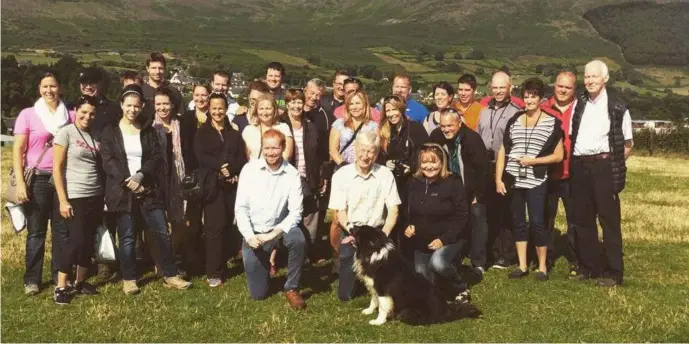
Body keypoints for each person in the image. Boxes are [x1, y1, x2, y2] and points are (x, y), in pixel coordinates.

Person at [100, 84, 192, 295]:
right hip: (123, 193)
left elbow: (155, 157)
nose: (132, 109)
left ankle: (170, 275)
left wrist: (141, 176)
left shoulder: (148, 130)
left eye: (136, 106)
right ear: (122, 105)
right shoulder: (110, 131)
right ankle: (129, 278)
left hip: (148, 189)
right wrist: (127, 180)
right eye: (128, 105)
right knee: (128, 236)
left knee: (161, 232)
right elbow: (108, 160)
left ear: (142, 106)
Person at [569, 60, 633, 287]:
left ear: (605, 78)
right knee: (583, 220)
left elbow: (627, 143)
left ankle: (614, 273)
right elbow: (572, 135)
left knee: (609, 221)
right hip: (580, 166)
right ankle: (589, 267)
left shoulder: (617, 106)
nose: (590, 81)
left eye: (594, 76)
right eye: (586, 76)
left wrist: (611, 165)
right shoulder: (580, 103)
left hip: (604, 167)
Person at [495, 78, 564, 281]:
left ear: (541, 98)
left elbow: (559, 155)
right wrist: (498, 179)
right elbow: (503, 150)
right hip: (514, 179)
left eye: (533, 96)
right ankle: (522, 265)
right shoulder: (515, 119)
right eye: (526, 96)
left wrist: (534, 161)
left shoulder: (552, 122)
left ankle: (542, 267)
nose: (529, 100)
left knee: (537, 222)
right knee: (518, 222)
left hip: (536, 179)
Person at [13, 72, 72, 296]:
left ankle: (59, 275)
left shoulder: (71, 116)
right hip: (37, 179)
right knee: (36, 233)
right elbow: (18, 149)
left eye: (53, 86)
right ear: (39, 89)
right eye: (45, 86)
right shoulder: (27, 115)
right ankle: (32, 280)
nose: (49, 90)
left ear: (60, 88)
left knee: (61, 231)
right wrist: (21, 183)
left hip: (62, 180)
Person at [235, 129, 306, 309]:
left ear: (283, 148)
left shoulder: (292, 174)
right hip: (255, 234)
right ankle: (262, 264)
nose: (271, 152)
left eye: (275, 148)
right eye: (267, 148)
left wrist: (273, 233)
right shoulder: (249, 169)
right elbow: (240, 208)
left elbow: (296, 212)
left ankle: (292, 287)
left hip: (279, 231)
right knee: (258, 294)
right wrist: (250, 236)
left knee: (298, 238)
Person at [329, 131, 401, 301]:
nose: (366, 156)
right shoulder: (341, 175)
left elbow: (393, 210)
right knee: (345, 296)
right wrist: (353, 232)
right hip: (352, 232)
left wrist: (382, 236)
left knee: (386, 282)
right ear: (355, 149)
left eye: (371, 151)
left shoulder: (385, 174)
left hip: (378, 233)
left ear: (376, 154)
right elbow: (340, 211)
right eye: (362, 150)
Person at [52, 96, 104, 304]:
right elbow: (56, 168)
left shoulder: (94, 135)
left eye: (92, 113)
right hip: (75, 195)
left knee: (88, 240)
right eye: (83, 112)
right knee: (75, 241)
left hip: (96, 194)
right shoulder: (66, 133)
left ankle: (80, 282)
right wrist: (63, 200)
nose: (87, 117)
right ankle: (61, 286)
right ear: (75, 111)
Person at [404, 143, 471, 303]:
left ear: (442, 162)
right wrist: (407, 225)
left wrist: (443, 240)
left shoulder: (453, 182)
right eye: (425, 162)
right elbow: (405, 211)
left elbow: (462, 215)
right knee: (426, 285)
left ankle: (461, 287)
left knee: (438, 263)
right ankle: (444, 287)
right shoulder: (413, 182)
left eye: (433, 162)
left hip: (449, 237)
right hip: (422, 242)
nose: (429, 166)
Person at [194, 92, 248, 288]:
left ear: (226, 109)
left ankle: (222, 264)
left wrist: (231, 169)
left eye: (221, 108)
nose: (217, 111)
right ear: (209, 109)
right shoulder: (202, 132)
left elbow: (241, 158)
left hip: (230, 186)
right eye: (214, 108)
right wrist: (220, 167)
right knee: (214, 228)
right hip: (211, 186)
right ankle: (213, 272)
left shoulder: (233, 133)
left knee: (226, 225)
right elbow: (200, 155)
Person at [429, 109, 490, 275]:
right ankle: (452, 253)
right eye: (443, 126)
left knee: (477, 216)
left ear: (459, 123)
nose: (446, 129)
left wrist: (478, 195)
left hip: (471, 188)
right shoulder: (437, 136)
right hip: (449, 190)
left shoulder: (472, 139)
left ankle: (478, 262)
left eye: (450, 125)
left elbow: (483, 170)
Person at [328, 90, 379, 273]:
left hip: (364, 172)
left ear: (365, 105)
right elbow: (333, 149)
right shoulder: (339, 124)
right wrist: (343, 165)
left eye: (359, 103)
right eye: (351, 104)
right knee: (337, 219)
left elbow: (376, 150)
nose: (355, 107)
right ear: (346, 106)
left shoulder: (373, 126)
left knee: (359, 214)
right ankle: (337, 257)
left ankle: (362, 254)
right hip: (343, 171)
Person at [477, 71, 522, 269]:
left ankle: (507, 254)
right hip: (486, 165)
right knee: (489, 211)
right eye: (495, 88)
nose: (498, 91)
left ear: (510, 88)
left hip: (505, 165)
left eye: (502, 88)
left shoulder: (516, 112)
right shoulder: (484, 111)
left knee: (506, 210)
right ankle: (491, 251)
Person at [152, 87, 198, 276]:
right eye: (158, 104)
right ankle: (161, 262)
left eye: (165, 103)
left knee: (180, 223)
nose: (162, 108)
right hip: (156, 180)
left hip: (179, 180)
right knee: (157, 225)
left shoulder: (184, 124)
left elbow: (191, 152)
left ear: (172, 105)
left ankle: (169, 256)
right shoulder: (149, 127)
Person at [379, 95, 428, 251]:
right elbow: (381, 155)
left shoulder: (415, 128)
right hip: (394, 181)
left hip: (414, 180)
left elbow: (426, 153)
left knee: (410, 216)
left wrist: (412, 167)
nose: (392, 114)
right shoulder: (386, 130)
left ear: (401, 109)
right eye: (388, 110)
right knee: (395, 215)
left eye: (394, 109)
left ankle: (413, 251)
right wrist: (386, 162)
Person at [541, 71, 578, 275]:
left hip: (573, 174)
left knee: (575, 219)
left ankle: (576, 259)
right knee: (546, 218)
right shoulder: (543, 108)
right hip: (547, 173)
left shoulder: (581, 109)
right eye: (560, 86)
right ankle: (545, 259)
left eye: (568, 87)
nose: (563, 90)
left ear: (574, 89)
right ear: (554, 86)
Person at [281, 89, 323, 261]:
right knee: (290, 215)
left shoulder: (310, 125)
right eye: (293, 102)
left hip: (309, 176)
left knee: (310, 216)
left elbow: (319, 154)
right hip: (287, 178)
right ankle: (288, 253)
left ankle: (307, 251)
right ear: (287, 104)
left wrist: (321, 177)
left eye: (299, 102)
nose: (297, 105)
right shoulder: (280, 124)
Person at [72, 67, 121, 140]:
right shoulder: (71, 106)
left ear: (100, 83)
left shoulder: (114, 109)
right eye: (84, 82)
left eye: (92, 83)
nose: (88, 87)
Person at [242, 94, 294, 161]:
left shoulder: (283, 128)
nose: (265, 112)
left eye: (268, 108)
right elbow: (247, 157)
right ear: (256, 111)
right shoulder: (248, 130)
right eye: (261, 109)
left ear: (274, 110)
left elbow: (287, 156)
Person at [141, 52, 184, 121]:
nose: (157, 71)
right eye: (154, 68)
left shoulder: (174, 92)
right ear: (147, 68)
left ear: (164, 69)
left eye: (160, 68)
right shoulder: (140, 92)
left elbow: (181, 116)